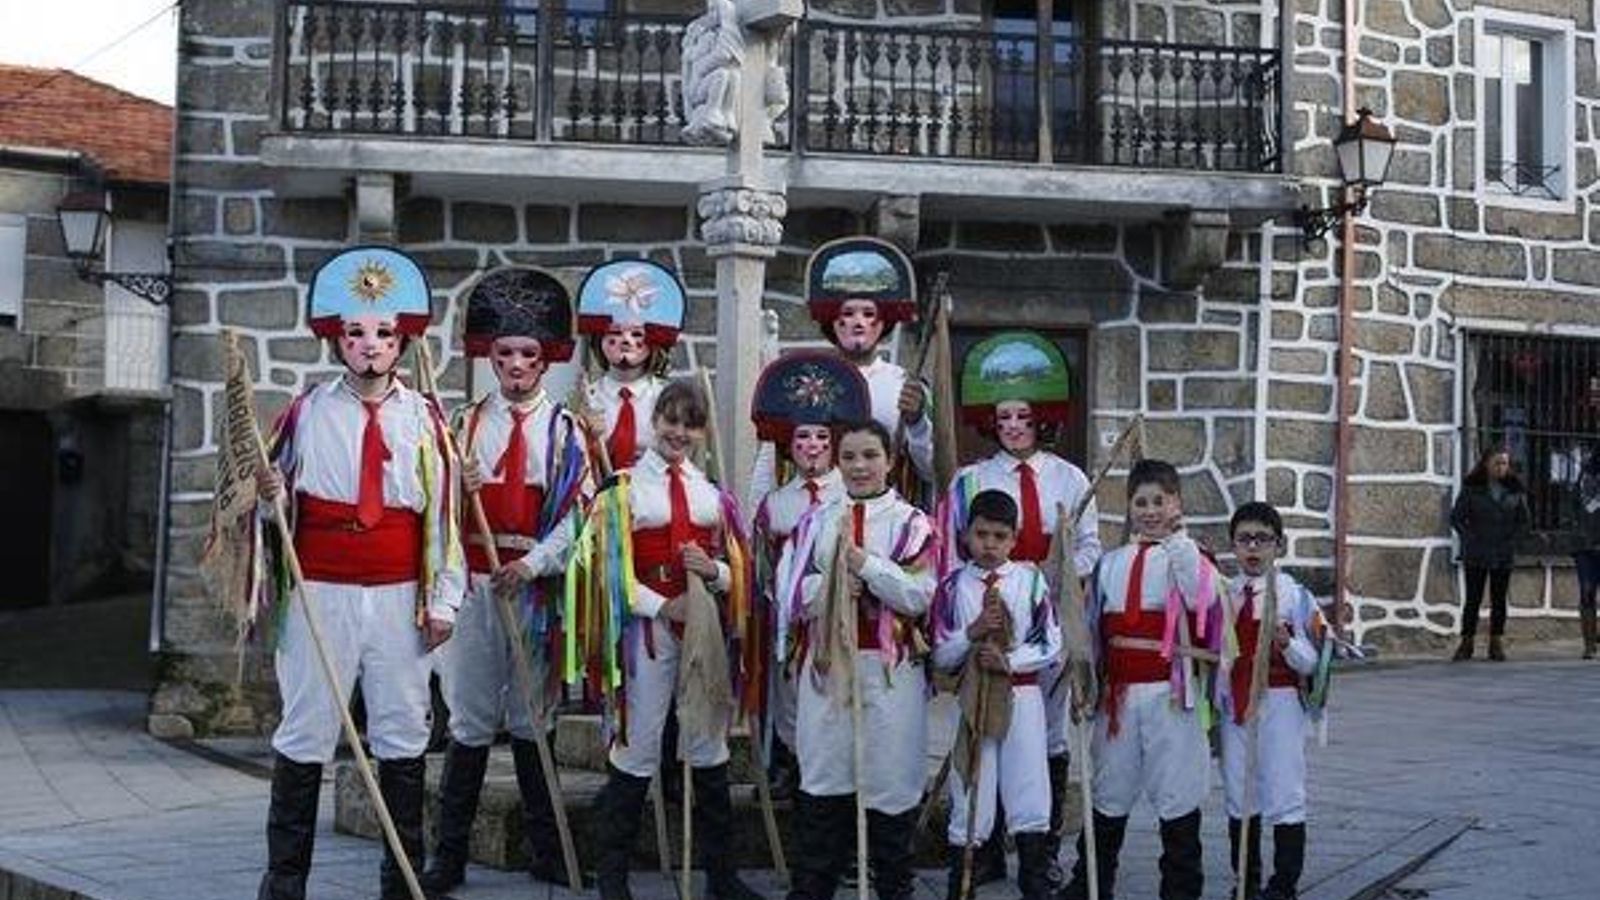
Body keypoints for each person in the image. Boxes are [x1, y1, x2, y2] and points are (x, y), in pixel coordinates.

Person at [255, 247, 465, 900]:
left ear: (402, 339)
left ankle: (401, 883)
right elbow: (275, 505)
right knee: (307, 728)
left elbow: (443, 517)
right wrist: (269, 496)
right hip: (322, 593)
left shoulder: (426, 419)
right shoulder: (307, 412)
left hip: (401, 595)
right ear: (336, 340)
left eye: (381, 334)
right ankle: (284, 885)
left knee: (402, 732)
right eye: (355, 333)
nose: (369, 346)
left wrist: (444, 603)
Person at [421, 268, 590, 892]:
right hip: (473, 585)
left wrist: (536, 563)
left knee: (530, 718)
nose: (516, 364)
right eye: (504, 354)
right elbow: (433, 511)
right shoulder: (460, 427)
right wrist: (452, 487)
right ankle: (450, 856)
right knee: (468, 718)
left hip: (532, 587)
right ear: (489, 358)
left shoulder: (566, 433)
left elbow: (579, 516)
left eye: (528, 354)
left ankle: (547, 851)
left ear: (546, 361)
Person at [570, 380, 761, 900]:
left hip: (703, 632)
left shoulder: (712, 494)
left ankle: (722, 877)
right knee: (637, 745)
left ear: (701, 431)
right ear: (656, 422)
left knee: (709, 743)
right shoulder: (622, 489)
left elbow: (739, 571)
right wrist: (660, 605)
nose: (679, 432)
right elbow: (605, 571)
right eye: (670, 420)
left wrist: (717, 572)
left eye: (690, 423)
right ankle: (613, 879)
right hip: (647, 632)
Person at [945, 331, 1100, 884]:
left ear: (1043, 418)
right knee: (987, 720)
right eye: (1004, 415)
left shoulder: (1070, 478)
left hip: (1047, 615)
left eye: (1024, 416)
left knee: (1045, 736)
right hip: (987, 611)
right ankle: (983, 849)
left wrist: (1054, 577)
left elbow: (1089, 548)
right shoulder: (971, 481)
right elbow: (951, 552)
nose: (1014, 425)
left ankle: (1044, 846)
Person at [776, 419, 937, 900]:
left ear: (890, 459)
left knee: (890, 784)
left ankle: (892, 889)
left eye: (870, 455)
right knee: (825, 779)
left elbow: (920, 592)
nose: (859, 466)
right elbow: (788, 593)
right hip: (828, 668)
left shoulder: (912, 522)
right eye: (849, 457)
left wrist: (866, 566)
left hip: (890, 673)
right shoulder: (815, 521)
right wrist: (828, 589)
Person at [1059, 458, 1221, 900]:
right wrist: (1084, 680)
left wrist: (1179, 540)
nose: (1150, 510)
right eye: (1140, 502)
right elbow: (1093, 629)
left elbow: (1203, 599)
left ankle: (1182, 889)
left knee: (1177, 792)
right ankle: (1090, 882)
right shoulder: (1111, 563)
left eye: (1159, 501)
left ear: (1176, 504)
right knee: (1109, 789)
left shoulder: (1189, 556)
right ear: (1129, 507)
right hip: (1119, 700)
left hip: (1172, 696)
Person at [748, 352, 873, 798]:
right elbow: (762, 567)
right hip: (793, 627)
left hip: (843, 624)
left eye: (822, 436)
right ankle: (794, 765)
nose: (813, 446)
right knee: (791, 702)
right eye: (803, 437)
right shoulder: (777, 505)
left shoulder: (853, 499)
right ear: (790, 444)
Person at [932, 489, 1062, 900]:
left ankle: (1034, 881)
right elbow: (939, 650)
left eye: (999, 536)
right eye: (981, 534)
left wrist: (1009, 659)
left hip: (1020, 697)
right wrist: (969, 635)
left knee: (1029, 785)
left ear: (1014, 537)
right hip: (974, 696)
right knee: (973, 783)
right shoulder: (954, 587)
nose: (989, 545)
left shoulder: (1030, 581)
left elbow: (1049, 644)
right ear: (967, 534)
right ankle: (963, 880)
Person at [744, 237, 932, 505]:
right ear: (832, 319)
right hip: (816, 514)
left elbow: (929, 470)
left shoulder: (904, 384)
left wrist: (916, 423)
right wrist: (757, 514)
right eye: (848, 313)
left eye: (868, 314)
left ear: (884, 323)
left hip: (884, 517)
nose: (858, 323)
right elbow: (770, 459)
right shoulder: (805, 379)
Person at [1218, 502, 1331, 900]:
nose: (1253, 548)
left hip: (1280, 702)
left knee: (1284, 789)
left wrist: (1289, 645)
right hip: (1236, 704)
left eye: (1262, 540)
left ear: (1278, 546)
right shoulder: (1225, 595)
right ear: (1232, 545)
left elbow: (1316, 659)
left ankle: (1284, 885)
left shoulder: (1295, 597)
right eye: (1244, 539)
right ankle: (1245, 881)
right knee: (1237, 789)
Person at [576, 259, 686, 471]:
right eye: (616, 333)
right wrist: (588, 442)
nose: (626, 341)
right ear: (599, 340)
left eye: (637, 334)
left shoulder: (667, 398)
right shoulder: (586, 399)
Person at [1449, 447, 1530, 661]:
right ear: (1486, 464)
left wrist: (1513, 540)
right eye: (1497, 463)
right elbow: (1457, 517)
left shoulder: (1515, 489)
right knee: (1473, 599)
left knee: (1499, 599)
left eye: (1504, 463)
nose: (1501, 467)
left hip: (1503, 551)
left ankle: (1496, 642)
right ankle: (1467, 641)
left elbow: (1523, 521)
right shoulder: (1472, 488)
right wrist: (1469, 538)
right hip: (1477, 551)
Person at [1573, 449, 1600, 660]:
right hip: (1585, 545)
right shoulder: (1583, 477)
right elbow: (1572, 506)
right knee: (1586, 591)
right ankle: (1589, 644)